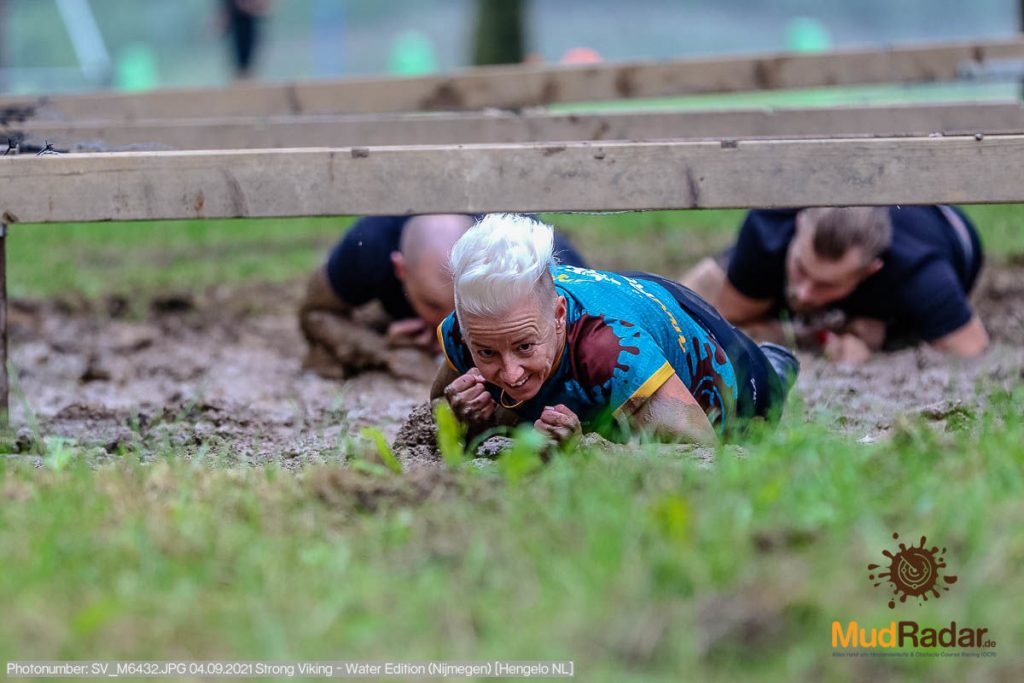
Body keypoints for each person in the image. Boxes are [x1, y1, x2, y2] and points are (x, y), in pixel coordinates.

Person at [430, 214, 798, 446]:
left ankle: (777, 367)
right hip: (635, 300)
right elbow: (431, 417)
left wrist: (589, 448)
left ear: (559, 315)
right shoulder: (476, 326)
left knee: (759, 390)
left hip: (731, 365)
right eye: (487, 353)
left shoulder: (614, 350)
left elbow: (699, 449)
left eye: (525, 346)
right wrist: (459, 418)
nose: (509, 372)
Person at [681, 206, 988, 363]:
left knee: (878, 336)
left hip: (937, 227)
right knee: (705, 290)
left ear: (870, 270)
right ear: (799, 225)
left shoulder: (920, 273)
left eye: (826, 284)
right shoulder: (768, 230)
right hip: (782, 255)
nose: (804, 291)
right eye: (801, 268)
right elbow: (727, 316)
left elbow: (972, 349)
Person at [300, 214, 587, 379]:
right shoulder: (368, 248)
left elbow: (584, 327)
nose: (454, 324)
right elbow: (315, 313)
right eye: (433, 305)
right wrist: (379, 349)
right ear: (400, 269)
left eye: (463, 306)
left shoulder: (528, 253)